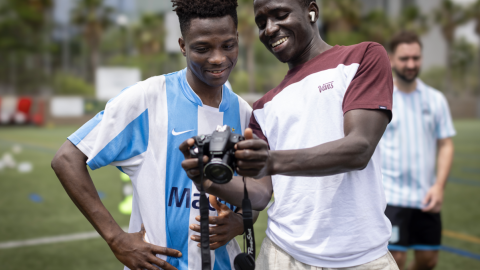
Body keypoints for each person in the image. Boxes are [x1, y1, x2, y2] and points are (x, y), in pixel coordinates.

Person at [180, 0, 399, 269]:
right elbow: (260, 195)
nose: (270, 29)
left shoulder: (363, 57)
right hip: (281, 255)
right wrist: (209, 180)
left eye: (280, 15)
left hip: (362, 258)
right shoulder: (262, 108)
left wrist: (271, 161)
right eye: (261, 23)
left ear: (312, 11)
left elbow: (359, 148)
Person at [51, 0, 256, 269]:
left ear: (238, 39)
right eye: (202, 48)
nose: (218, 58)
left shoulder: (244, 113)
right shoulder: (147, 99)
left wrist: (240, 222)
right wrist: (116, 239)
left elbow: (255, 190)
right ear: (183, 45)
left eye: (228, 45)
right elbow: (66, 159)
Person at [381, 31, 456, 270]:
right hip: (391, 197)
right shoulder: (381, 99)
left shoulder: (436, 99)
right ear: (391, 59)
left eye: (416, 58)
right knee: (396, 261)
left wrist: (439, 187)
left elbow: (445, 143)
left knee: (428, 260)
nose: (411, 64)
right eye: (404, 58)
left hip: (426, 196)